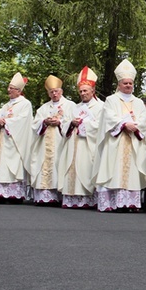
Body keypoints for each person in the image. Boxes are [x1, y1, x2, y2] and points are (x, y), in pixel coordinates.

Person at [93, 59, 146, 212]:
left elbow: (144, 119)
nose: (128, 86)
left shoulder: (138, 102)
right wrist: (124, 124)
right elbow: (108, 117)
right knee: (113, 169)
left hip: (132, 142)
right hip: (116, 141)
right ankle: (112, 202)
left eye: (130, 83)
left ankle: (129, 203)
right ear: (119, 84)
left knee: (131, 171)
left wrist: (135, 125)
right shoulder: (111, 100)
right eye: (125, 83)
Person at [59, 66, 103, 209]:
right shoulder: (74, 107)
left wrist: (84, 125)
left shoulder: (100, 107)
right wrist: (71, 123)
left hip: (88, 144)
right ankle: (71, 198)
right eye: (81, 91)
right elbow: (64, 123)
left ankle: (87, 199)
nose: (83, 93)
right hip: (73, 144)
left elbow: (100, 126)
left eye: (85, 91)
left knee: (85, 168)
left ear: (93, 91)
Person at [0, 73, 33, 203]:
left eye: (11, 88)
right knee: (0, 165)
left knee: (12, 167)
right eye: (8, 87)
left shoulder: (25, 104)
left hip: (14, 142)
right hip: (2, 140)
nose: (8, 90)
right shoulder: (6, 105)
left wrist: (6, 122)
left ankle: (14, 194)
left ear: (18, 91)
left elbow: (23, 120)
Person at [30, 75, 74, 206]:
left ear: (61, 91)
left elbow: (72, 121)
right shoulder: (44, 108)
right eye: (51, 92)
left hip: (61, 141)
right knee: (44, 164)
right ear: (48, 93)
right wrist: (44, 121)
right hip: (45, 143)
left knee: (59, 164)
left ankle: (59, 196)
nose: (54, 94)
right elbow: (35, 124)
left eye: (56, 91)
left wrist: (60, 122)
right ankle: (44, 197)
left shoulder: (70, 105)